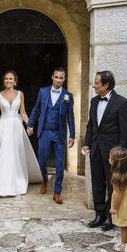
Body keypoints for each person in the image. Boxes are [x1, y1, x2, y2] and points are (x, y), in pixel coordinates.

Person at [82, 71, 127, 231]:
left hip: (112, 153)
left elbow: (125, 132)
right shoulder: (94, 101)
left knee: (112, 184)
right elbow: (91, 125)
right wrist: (87, 143)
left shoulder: (122, 102)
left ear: (106, 85)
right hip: (95, 148)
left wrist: (120, 155)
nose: (94, 85)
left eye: (96, 83)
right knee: (97, 181)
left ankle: (111, 216)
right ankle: (99, 213)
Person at [0, 71, 42, 197]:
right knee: (4, 154)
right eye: (6, 79)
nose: (8, 81)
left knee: (15, 154)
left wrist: (29, 125)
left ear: (15, 81)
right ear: (4, 81)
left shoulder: (20, 94)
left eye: (11, 79)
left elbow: (23, 112)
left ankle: (17, 184)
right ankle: (2, 186)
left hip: (16, 127)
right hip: (3, 127)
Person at [27, 67, 76, 203]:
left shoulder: (68, 96)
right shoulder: (43, 92)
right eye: (56, 77)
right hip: (45, 131)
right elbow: (36, 108)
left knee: (60, 164)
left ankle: (57, 192)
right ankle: (44, 179)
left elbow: (70, 117)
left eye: (61, 78)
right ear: (52, 77)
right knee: (42, 161)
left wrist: (72, 135)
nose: (58, 80)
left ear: (64, 79)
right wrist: (30, 124)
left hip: (59, 133)